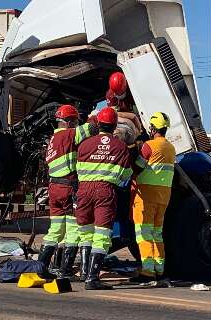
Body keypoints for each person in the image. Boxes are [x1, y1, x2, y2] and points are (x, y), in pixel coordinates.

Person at [73, 107, 133, 290]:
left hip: (83, 190)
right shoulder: (120, 146)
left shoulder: (84, 144)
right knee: (102, 234)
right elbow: (125, 176)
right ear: (114, 125)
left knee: (85, 231)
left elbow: (78, 170)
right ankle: (93, 278)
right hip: (104, 191)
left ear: (98, 124)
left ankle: (84, 272)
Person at [38, 104, 97, 281]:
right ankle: (65, 269)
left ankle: (41, 267)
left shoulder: (53, 139)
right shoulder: (69, 135)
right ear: (70, 122)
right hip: (68, 188)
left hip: (54, 189)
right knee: (72, 230)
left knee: (55, 229)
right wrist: (97, 114)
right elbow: (93, 128)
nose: (77, 124)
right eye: (76, 121)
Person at [131, 112, 176, 283]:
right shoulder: (171, 147)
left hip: (146, 195)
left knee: (143, 233)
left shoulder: (149, 146)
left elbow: (138, 166)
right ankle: (160, 269)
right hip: (164, 195)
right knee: (157, 233)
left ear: (153, 128)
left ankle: (148, 272)